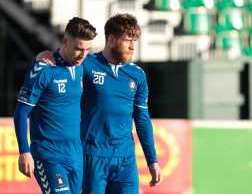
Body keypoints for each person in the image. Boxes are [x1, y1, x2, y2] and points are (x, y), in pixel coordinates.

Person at [37, 13, 161, 194]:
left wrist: (152, 160)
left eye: (134, 41)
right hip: (91, 157)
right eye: (128, 40)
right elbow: (62, 59)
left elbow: (142, 119)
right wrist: (46, 56)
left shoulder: (137, 75)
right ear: (111, 39)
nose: (133, 46)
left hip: (125, 159)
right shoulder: (86, 64)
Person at [14, 17, 97, 194]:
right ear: (65, 41)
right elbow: (21, 111)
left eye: (87, 50)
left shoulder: (81, 66)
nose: (83, 55)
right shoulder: (43, 69)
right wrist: (24, 151)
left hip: (75, 154)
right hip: (48, 153)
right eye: (78, 49)